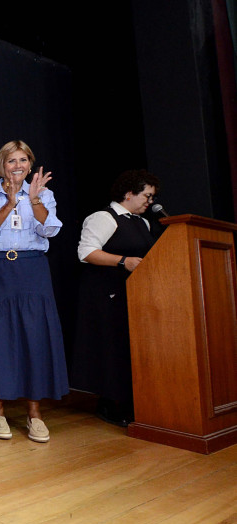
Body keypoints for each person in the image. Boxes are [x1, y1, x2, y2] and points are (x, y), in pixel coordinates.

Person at [0, 140, 68, 443]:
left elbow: (50, 229)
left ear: (30, 164)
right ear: (2, 165)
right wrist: (9, 204)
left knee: (33, 337)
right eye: (12, 160)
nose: (18, 166)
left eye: (23, 160)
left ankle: (34, 413)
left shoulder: (44, 195)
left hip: (32, 269)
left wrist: (33, 200)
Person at [71, 169, 162, 427]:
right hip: (106, 295)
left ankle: (134, 401)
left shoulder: (143, 223)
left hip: (134, 295)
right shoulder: (103, 217)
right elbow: (86, 252)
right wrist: (123, 261)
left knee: (130, 348)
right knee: (111, 348)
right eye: (146, 196)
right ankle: (109, 404)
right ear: (129, 193)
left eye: (152, 197)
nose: (150, 202)